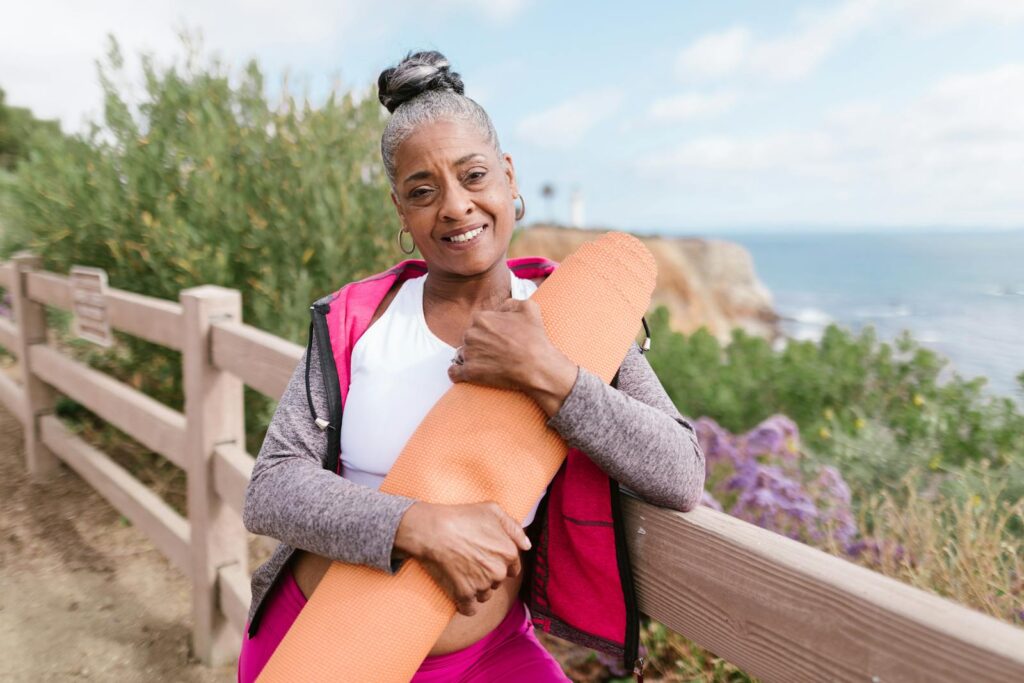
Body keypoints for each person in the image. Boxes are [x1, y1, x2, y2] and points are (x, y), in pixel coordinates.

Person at [237, 50, 705, 683]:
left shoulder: (571, 320)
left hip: (484, 658)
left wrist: (548, 374)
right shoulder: (361, 321)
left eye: (474, 175)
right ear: (402, 213)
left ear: (509, 178)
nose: (455, 206)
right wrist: (418, 526)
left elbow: (681, 473)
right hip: (325, 642)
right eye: (422, 192)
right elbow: (270, 489)